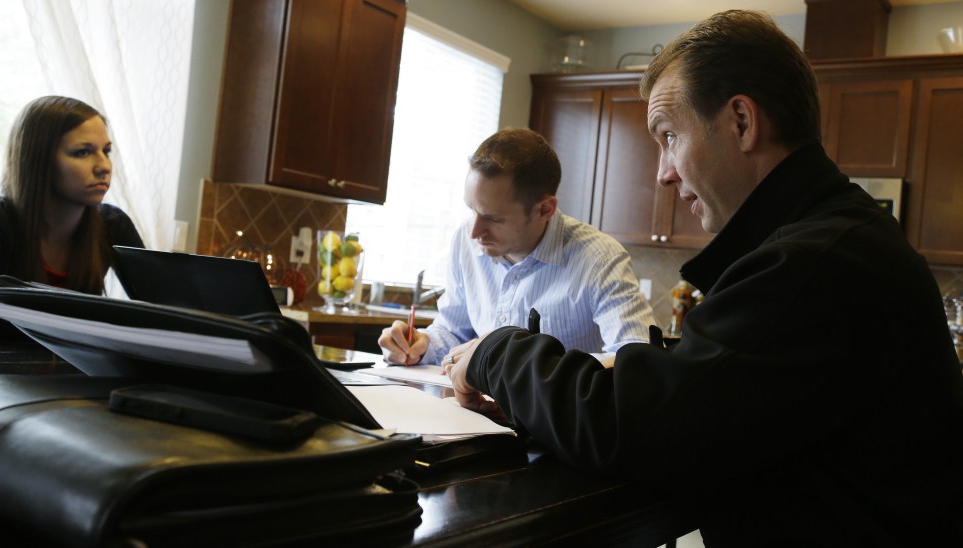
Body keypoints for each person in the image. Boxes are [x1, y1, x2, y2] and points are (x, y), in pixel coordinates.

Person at [445, 11, 963, 546]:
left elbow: (642, 429)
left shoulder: (813, 262)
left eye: (669, 136)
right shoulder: (831, 237)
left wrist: (497, 352)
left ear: (742, 120)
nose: (663, 172)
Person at [378, 127, 655, 367]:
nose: (475, 231)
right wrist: (421, 344)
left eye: (494, 219)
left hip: (557, 423)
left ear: (544, 209)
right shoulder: (465, 239)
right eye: (471, 210)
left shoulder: (600, 259)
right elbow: (455, 331)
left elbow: (637, 358)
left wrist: (531, 370)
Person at [0, 96, 144, 338]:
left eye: (106, 151)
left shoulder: (112, 224)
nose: (104, 166)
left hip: (66, 371)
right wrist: (89, 324)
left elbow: (163, 311)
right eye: (82, 152)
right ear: (38, 160)